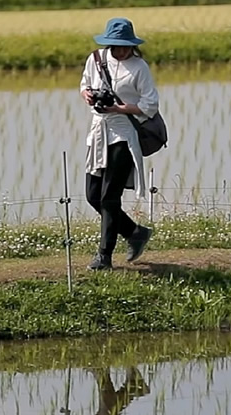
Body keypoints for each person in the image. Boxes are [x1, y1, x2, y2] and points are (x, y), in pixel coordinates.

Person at [80, 18, 159, 271]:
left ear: (132, 45)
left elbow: (150, 105)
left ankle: (104, 256)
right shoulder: (95, 59)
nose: (121, 50)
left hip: (123, 134)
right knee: (93, 195)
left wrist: (119, 108)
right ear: (108, 43)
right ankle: (135, 232)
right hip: (98, 132)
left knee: (109, 198)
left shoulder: (139, 67)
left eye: (125, 46)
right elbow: (84, 86)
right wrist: (88, 95)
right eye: (116, 45)